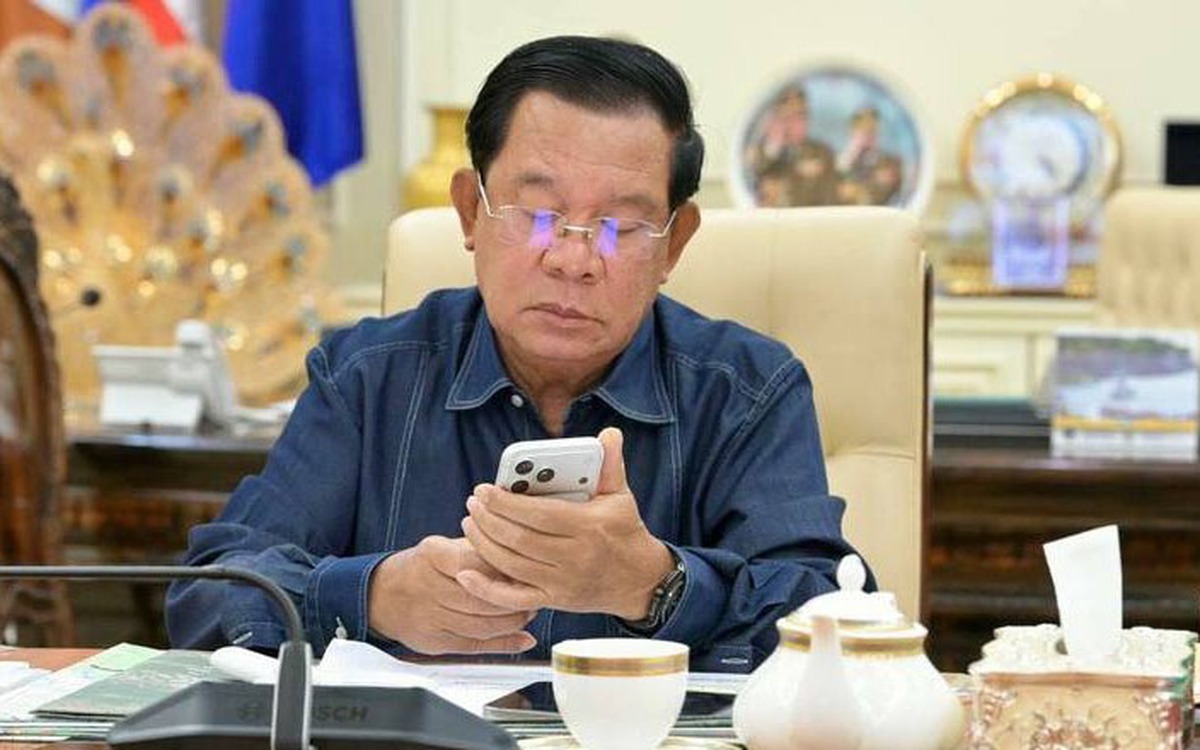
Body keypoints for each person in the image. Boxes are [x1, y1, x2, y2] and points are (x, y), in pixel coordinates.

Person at [166, 35, 866, 673]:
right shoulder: (365, 377)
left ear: (674, 244)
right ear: (470, 212)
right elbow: (211, 593)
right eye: (537, 215)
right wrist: (373, 598)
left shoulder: (747, 391)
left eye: (620, 226)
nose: (573, 259)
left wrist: (655, 585)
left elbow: (834, 622)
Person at [744, 85, 838, 206]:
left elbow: (829, 198)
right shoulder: (757, 152)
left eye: (801, 115)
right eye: (788, 116)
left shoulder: (822, 152)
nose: (795, 123)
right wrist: (776, 144)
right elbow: (758, 185)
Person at [836, 106, 903, 205]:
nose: (868, 134)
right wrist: (853, 153)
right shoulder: (840, 160)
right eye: (863, 129)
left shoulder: (890, 162)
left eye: (872, 130)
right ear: (853, 131)